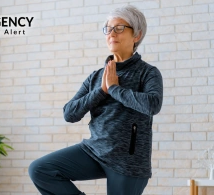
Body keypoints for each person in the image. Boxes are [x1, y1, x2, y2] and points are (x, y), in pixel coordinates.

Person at [28, 5, 163, 195]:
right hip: (94, 151)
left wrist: (115, 89)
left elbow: (152, 105)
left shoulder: (147, 73)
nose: (111, 33)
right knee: (41, 169)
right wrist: (101, 90)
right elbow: (69, 113)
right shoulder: (96, 77)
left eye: (119, 28)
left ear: (137, 35)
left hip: (128, 161)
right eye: (108, 29)